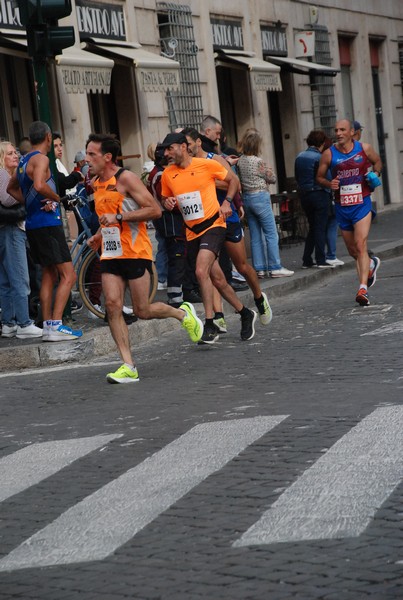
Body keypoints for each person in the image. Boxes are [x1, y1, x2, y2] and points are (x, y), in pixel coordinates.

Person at [85, 133, 203, 383]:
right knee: (113, 305)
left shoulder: (125, 178)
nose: (87, 159)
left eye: (91, 154)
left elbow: (154, 210)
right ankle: (128, 365)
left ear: (107, 157)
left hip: (135, 251)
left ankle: (182, 314)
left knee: (143, 311)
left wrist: (119, 219)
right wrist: (97, 235)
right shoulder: (95, 183)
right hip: (110, 252)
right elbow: (107, 215)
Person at [160, 131, 257, 344]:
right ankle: (245, 313)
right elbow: (168, 200)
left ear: (183, 147)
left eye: (170, 148)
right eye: (165, 149)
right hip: (191, 231)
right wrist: (168, 204)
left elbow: (233, 181)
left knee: (200, 271)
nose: (167, 153)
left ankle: (210, 322)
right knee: (218, 280)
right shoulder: (168, 174)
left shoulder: (206, 164)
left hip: (214, 224)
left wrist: (227, 202)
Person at [183, 127, 272, 331]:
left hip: (227, 217)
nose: (186, 148)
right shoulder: (186, 167)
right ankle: (218, 315)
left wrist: (208, 182)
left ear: (198, 142)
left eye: (188, 143)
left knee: (241, 266)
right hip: (205, 223)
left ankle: (259, 298)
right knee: (209, 271)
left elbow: (234, 183)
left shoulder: (215, 159)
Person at [7, 121, 82, 341]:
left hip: (34, 224)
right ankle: (57, 324)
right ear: (48, 137)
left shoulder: (23, 162)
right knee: (69, 275)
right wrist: (56, 198)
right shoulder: (41, 159)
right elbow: (40, 185)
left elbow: (10, 188)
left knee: (49, 274)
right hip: (47, 224)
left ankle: (48, 324)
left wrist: (30, 203)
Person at [317, 118, 382, 306]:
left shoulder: (364, 148)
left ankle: (363, 288)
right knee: (353, 251)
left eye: (342, 130)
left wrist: (375, 175)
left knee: (361, 244)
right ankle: (370, 264)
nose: (338, 133)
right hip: (342, 205)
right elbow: (319, 177)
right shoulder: (329, 154)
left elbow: (377, 163)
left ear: (352, 132)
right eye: (336, 130)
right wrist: (330, 183)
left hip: (362, 203)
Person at [237, 129, 294, 278]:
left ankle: (259, 268)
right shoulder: (258, 162)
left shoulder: (240, 160)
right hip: (260, 197)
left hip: (247, 198)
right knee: (271, 233)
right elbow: (272, 178)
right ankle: (275, 266)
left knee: (255, 235)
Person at [0, 141, 42, 339]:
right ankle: (24, 323)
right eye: (9, 153)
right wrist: (27, 195)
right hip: (11, 230)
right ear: (2, 158)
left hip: (6, 230)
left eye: (15, 152)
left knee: (6, 280)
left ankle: (9, 323)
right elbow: (6, 199)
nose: (15, 155)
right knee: (20, 277)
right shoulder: (2, 174)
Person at [147, 143, 186, 307]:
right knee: (174, 253)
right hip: (167, 217)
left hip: (163, 217)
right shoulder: (160, 174)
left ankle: (171, 287)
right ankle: (174, 293)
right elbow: (166, 197)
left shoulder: (156, 173)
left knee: (168, 250)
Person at [295, 129, 336, 269]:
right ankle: (320, 258)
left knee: (313, 227)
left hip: (305, 195)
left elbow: (297, 177)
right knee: (320, 227)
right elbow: (326, 177)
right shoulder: (320, 157)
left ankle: (307, 259)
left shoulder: (300, 156)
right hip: (319, 194)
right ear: (322, 142)